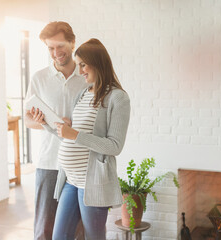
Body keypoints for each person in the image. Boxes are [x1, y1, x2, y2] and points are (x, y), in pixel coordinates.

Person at [52, 38, 131, 240]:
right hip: (70, 180)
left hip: (93, 183)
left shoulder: (117, 98)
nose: (80, 71)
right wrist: (49, 123)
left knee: (94, 237)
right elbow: (71, 136)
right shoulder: (82, 94)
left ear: (97, 62)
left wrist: (75, 135)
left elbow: (114, 146)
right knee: (59, 236)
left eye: (83, 65)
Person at [24, 21, 87, 240]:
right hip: (49, 163)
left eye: (60, 46)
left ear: (72, 42)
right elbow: (28, 119)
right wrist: (47, 123)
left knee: (79, 230)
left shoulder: (87, 77)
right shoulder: (39, 78)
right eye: (50, 48)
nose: (55, 53)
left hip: (80, 165)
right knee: (44, 230)